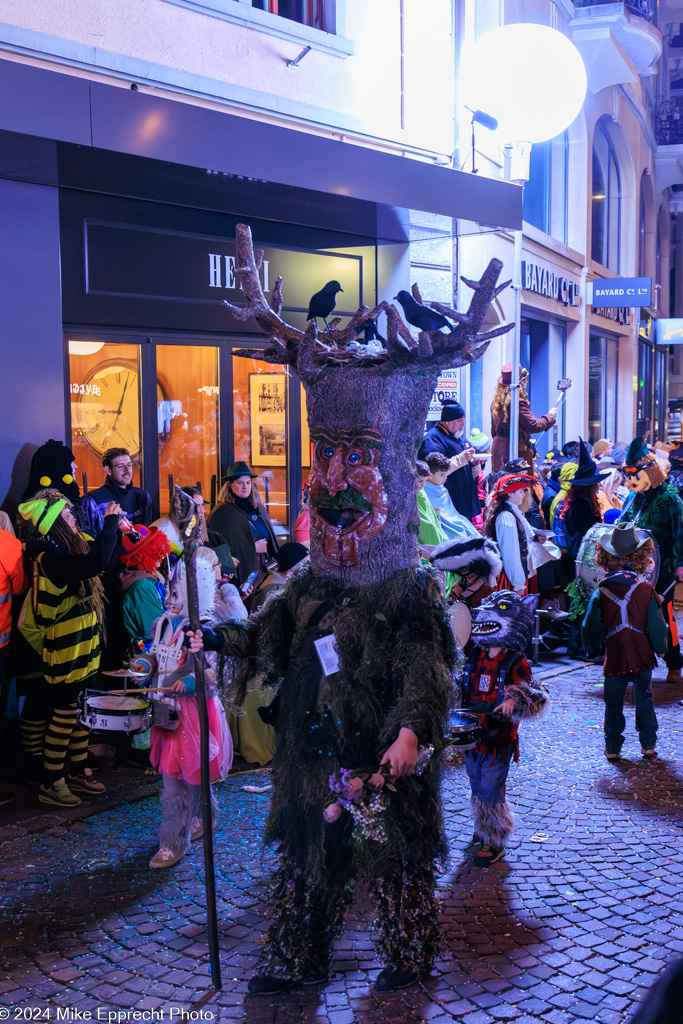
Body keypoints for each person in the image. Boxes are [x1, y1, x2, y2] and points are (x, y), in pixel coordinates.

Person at [17, 490, 121, 806]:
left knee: (78, 712)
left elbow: (100, 558)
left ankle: (77, 769)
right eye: (67, 514)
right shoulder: (49, 556)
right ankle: (52, 781)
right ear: (55, 523)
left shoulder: (67, 546)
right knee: (63, 715)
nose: (73, 517)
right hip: (66, 648)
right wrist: (111, 523)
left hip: (83, 646)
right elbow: (93, 563)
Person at [136, 559, 232, 868]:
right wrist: (144, 666)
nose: (167, 599)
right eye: (169, 591)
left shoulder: (204, 629)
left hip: (192, 714)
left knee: (179, 777)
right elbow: (156, 656)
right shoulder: (163, 623)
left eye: (176, 594)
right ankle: (206, 814)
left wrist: (189, 682)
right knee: (179, 773)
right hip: (165, 710)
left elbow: (216, 675)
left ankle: (173, 841)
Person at [460, 591, 548, 865]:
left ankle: (494, 839)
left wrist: (514, 699)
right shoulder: (474, 655)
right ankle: (482, 830)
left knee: (491, 786)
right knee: (476, 785)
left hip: (498, 738)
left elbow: (532, 693)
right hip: (473, 736)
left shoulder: (516, 660)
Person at [582, 523, 667, 761]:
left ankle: (613, 748)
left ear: (606, 557)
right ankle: (648, 745)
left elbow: (590, 626)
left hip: (616, 653)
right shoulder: (646, 589)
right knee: (644, 697)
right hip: (641, 652)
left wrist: (591, 648)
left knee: (613, 701)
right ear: (639, 556)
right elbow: (657, 626)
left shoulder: (601, 591)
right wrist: (661, 648)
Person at [619, 435, 683, 683]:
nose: (630, 480)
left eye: (635, 474)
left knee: (664, 615)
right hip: (635, 567)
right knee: (633, 613)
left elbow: (680, 534)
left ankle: (675, 664)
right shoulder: (634, 497)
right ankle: (637, 663)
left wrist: (679, 564)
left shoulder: (671, 499)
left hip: (663, 566)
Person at [555, 440, 606, 658]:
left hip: (575, 556)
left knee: (581, 601)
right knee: (583, 601)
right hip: (582, 558)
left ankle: (579, 645)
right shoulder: (583, 504)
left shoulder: (575, 500)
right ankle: (580, 647)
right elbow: (587, 532)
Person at [208, 462, 278, 588]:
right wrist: (253, 548)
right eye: (239, 483)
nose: (245, 487)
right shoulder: (224, 512)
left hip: (264, 569)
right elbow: (220, 547)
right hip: (244, 572)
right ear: (230, 486)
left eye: (248, 482)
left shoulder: (258, 508)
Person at [152, 487, 238, 579]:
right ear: (183, 508)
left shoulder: (186, 526)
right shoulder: (164, 530)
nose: (202, 511)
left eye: (203, 505)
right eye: (197, 506)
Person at [22, 439, 102, 537]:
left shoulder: (69, 498)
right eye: (69, 463)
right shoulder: (45, 507)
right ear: (57, 468)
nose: (75, 466)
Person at [418, 400, 480, 521]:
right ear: (446, 421)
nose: (463, 425)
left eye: (464, 421)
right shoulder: (432, 440)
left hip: (464, 499)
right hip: (447, 500)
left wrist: (474, 465)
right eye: (459, 421)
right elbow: (434, 470)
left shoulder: (458, 437)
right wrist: (462, 459)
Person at [490, 365, 557, 472]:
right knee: (518, 484)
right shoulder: (517, 402)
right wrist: (549, 417)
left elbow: (493, 430)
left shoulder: (496, 403)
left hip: (498, 448)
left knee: (501, 482)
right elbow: (534, 425)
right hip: (514, 449)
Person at [483, 473, 538, 595]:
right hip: (508, 577)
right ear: (510, 493)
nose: (524, 494)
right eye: (520, 491)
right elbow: (510, 553)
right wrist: (517, 583)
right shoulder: (506, 517)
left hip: (511, 574)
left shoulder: (510, 512)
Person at [119, 525, 171, 646]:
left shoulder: (150, 577)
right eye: (153, 550)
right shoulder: (141, 587)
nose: (160, 554)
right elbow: (156, 629)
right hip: (149, 654)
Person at [415, 461, 456, 598]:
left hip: (435, 537)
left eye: (425, 481)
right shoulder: (411, 495)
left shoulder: (422, 493)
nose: (423, 485)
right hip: (422, 543)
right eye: (420, 481)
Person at [85, 448, 153, 529]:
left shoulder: (143, 496)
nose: (127, 470)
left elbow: (147, 532)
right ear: (108, 470)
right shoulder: (92, 501)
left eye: (129, 465)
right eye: (120, 466)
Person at [422, 452, 481, 543]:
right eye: (442, 475)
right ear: (429, 474)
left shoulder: (442, 488)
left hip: (459, 522)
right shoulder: (424, 491)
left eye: (446, 474)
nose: (445, 478)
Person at [250, 542, 309, 614]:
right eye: (304, 563)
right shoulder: (276, 592)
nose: (308, 568)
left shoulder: (274, 586)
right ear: (292, 566)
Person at [468, 430, 491, 530]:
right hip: (476, 512)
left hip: (480, 509)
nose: (489, 452)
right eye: (487, 451)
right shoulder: (473, 468)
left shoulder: (480, 466)